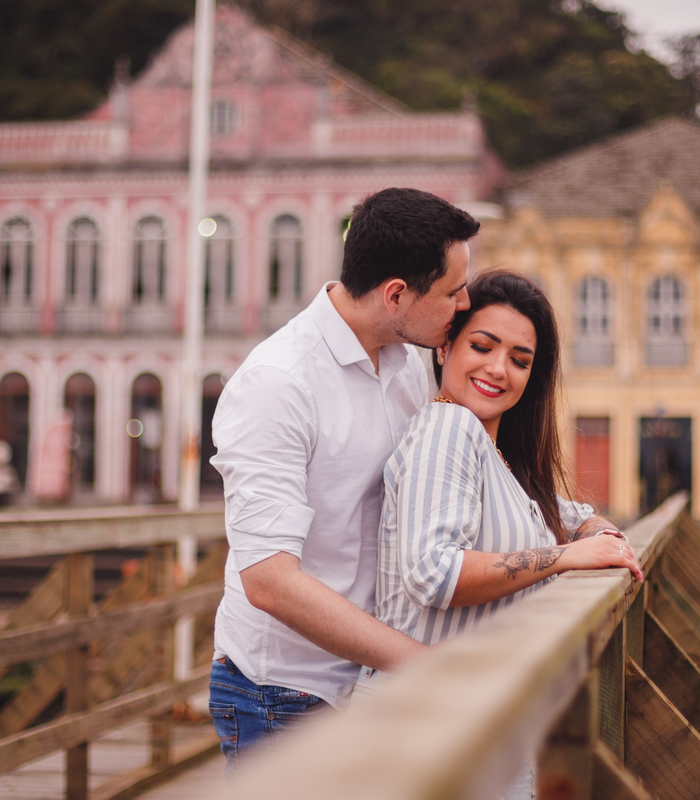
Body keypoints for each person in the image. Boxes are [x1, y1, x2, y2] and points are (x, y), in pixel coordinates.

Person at [207, 187, 480, 773]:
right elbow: (270, 582)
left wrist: (578, 525)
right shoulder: (277, 385)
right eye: (453, 290)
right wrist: (424, 663)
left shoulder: (407, 357)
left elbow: (461, 473)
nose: (465, 303)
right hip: (282, 692)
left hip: (369, 678)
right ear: (396, 294)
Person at [368, 270, 642, 798]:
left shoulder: (497, 458)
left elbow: (563, 511)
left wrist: (595, 529)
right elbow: (435, 573)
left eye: (520, 360)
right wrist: (565, 557)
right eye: (483, 345)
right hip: (429, 729)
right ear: (445, 347)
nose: (499, 369)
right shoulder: (449, 429)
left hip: (473, 722)